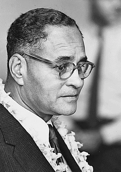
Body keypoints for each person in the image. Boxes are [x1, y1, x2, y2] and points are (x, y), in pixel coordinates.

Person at [0, 8, 95, 172]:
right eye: (62, 66)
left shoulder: (54, 133)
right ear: (18, 69)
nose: (78, 82)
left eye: (81, 66)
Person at [61, 0, 121, 172]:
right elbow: (54, 92)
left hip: (113, 142)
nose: (117, 5)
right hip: (70, 133)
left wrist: (104, 136)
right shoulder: (72, 42)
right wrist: (67, 129)